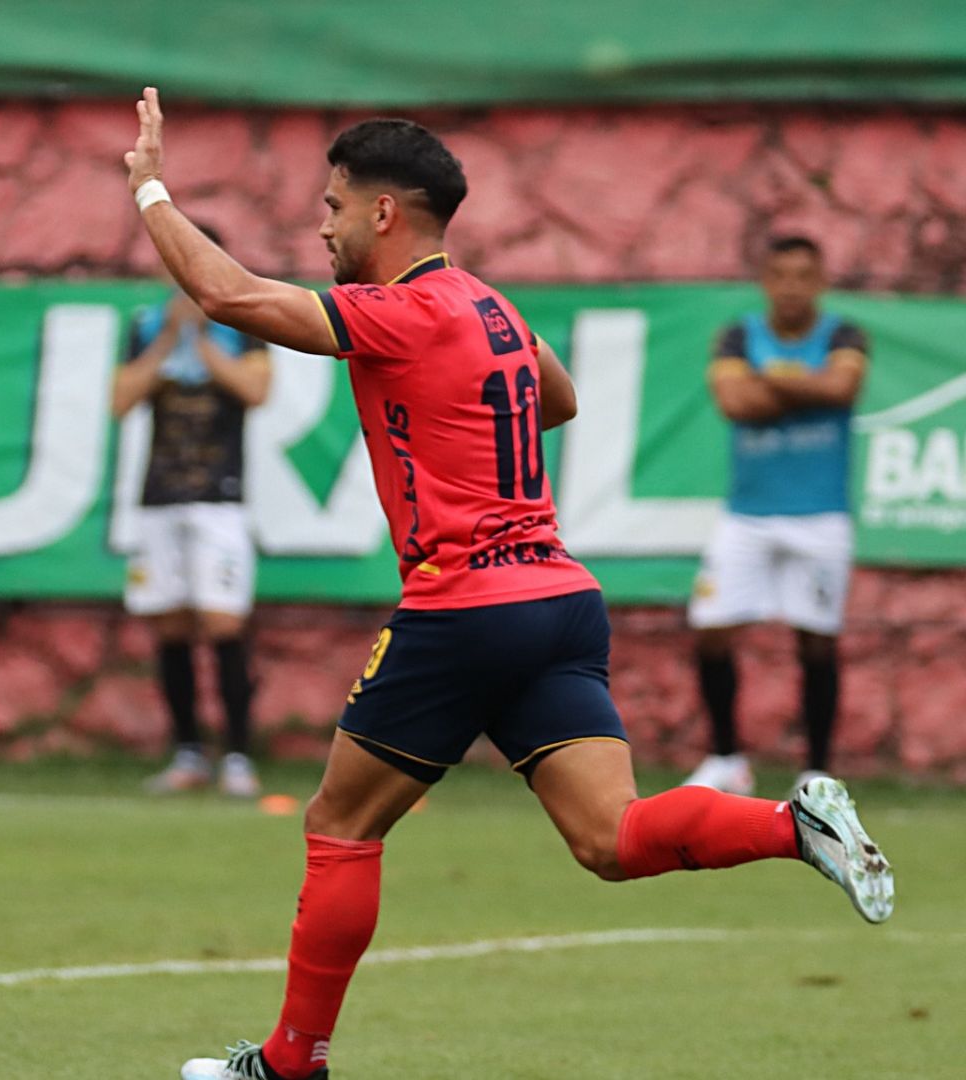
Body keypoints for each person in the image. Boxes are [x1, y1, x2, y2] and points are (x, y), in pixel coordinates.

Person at [119, 95, 895, 1080]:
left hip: (464, 608)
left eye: (334, 206)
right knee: (609, 838)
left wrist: (147, 187)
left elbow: (228, 297)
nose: (324, 225)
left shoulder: (397, 311)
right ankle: (795, 825)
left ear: (386, 214)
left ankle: (287, 1065)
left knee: (341, 824)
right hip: (559, 603)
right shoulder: (491, 305)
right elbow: (557, 398)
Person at [684, 237, 867, 797]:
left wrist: (769, 379)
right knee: (711, 631)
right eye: (780, 275)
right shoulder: (738, 335)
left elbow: (842, 387)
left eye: (803, 275)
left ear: (820, 282)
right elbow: (736, 405)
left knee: (816, 639)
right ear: (766, 280)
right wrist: (805, 386)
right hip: (747, 517)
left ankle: (815, 769)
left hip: (820, 518)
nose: (791, 287)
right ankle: (727, 760)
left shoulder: (843, 335)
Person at [113, 231, 271, 797]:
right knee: (170, 623)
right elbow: (120, 399)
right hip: (160, 495)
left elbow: (255, 391)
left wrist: (201, 339)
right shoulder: (145, 326)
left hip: (219, 497)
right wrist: (168, 342)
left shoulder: (247, 322)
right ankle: (187, 752)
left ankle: (237, 755)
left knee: (225, 622)